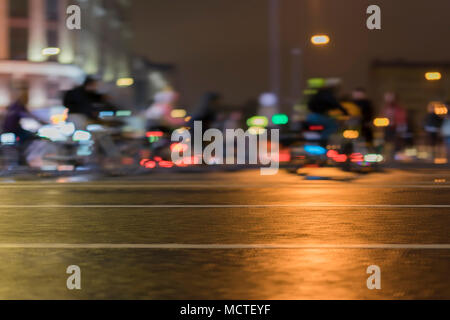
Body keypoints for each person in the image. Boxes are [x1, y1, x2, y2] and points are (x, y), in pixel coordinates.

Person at [2, 90, 42, 164]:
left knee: (29, 136)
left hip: (10, 129)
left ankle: (22, 154)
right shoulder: (19, 106)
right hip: (13, 130)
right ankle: (26, 157)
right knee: (33, 137)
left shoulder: (15, 105)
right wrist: (41, 121)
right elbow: (28, 115)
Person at [382, 92, 408, 158]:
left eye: (390, 97)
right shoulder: (385, 107)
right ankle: (389, 156)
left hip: (396, 128)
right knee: (388, 143)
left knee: (397, 143)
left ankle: (396, 156)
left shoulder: (399, 108)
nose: (388, 99)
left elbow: (402, 119)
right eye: (387, 97)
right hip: (388, 128)